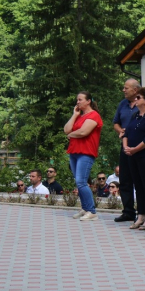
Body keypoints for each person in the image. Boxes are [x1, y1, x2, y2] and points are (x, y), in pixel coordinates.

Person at [64, 91, 103, 221]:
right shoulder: (80, 116)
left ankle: (92, 211)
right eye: (77, 99)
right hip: (74, 152)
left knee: (81, 182)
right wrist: (74, 115)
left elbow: (84, 132)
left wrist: (71, 135)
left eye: (80, 99)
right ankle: (85, 208)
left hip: (86, 152)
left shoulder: (94, 115)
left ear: (88, 101)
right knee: (79, 182)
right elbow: (66, 129)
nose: (77, 102)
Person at [123, 87, 145, 230]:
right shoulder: (135, 115)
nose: (135, 100)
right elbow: (126, 132)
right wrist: (126, 147)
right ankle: (141, 214)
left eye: (138, 98)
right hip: (132, 155)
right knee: (138, 185)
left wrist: (135, 149)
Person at [113, 79, 141, 222]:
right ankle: (128, 211)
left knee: (140, 180)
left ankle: (142, 212)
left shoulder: (144, 102)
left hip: (139, 148)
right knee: (125, 179)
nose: (123, 90)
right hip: (124, 146)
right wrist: (121, 130)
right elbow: (115, 123)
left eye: (126, 88)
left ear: (135, 90)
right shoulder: (122, 104)